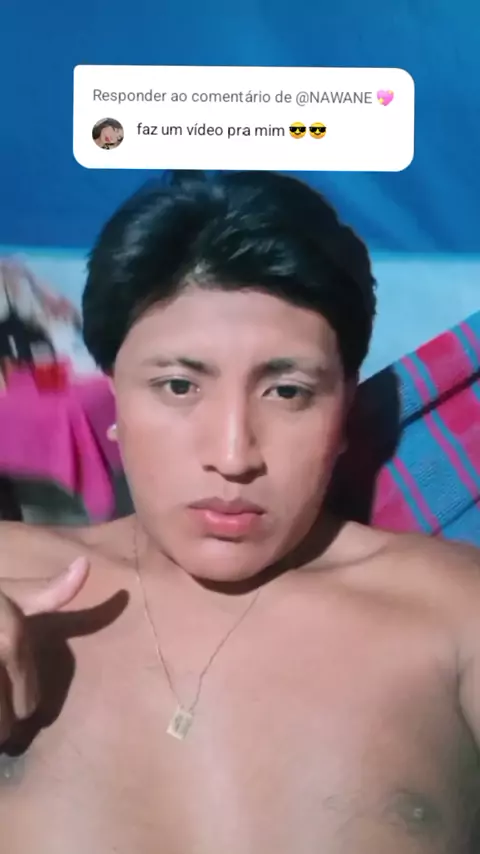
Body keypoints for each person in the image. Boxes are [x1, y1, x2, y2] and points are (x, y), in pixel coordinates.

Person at [0, 170, 479, 854]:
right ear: (113, 399)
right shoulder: (11, 577)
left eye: (287, 392)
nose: (233, 456)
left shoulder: (457, 611)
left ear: (345, 408)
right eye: (178, 386)